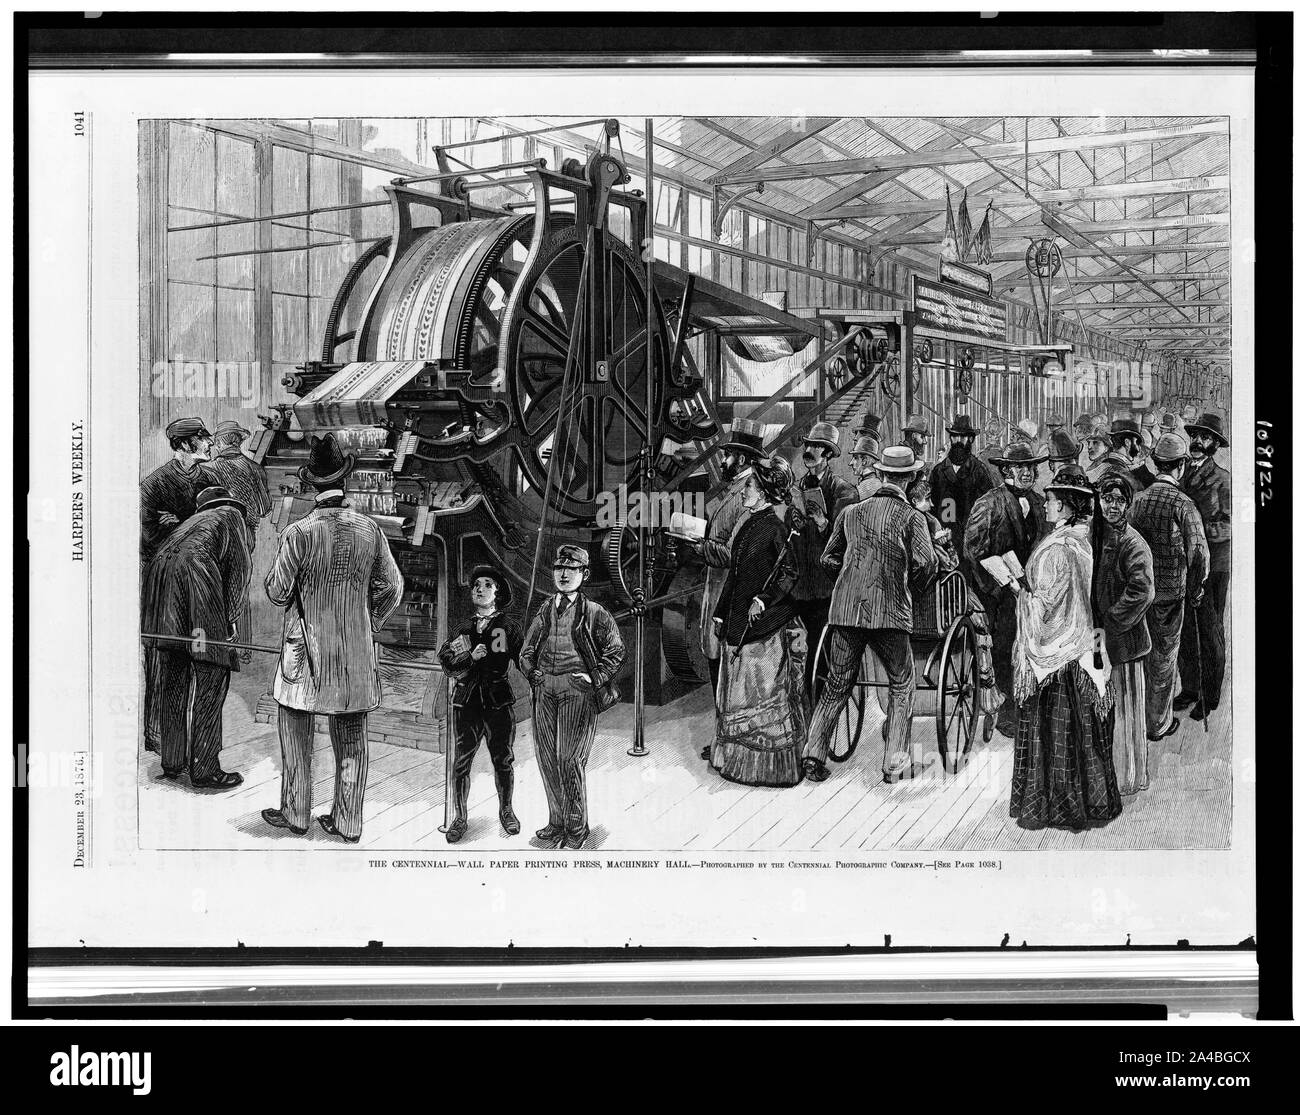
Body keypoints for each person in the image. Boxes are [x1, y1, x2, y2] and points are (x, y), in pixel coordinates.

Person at [260, 434, 405, 842]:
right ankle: (347, 822)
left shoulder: (299, 533)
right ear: (346, 481)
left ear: (312, 486)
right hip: (355, 655)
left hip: (304, 654)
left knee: (295, 729)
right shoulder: (370, 530)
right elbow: (393, 586)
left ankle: (296, 813)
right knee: (353, 739)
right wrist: (366, 621)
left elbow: (276, 591)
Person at [802, 447, 937, 784]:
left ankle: (813, 753)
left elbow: (827, 558)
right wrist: (908, 589)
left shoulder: (851, 513)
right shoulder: (912, 517)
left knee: (836, 683)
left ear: (882, 475)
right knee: (902, 683)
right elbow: (927, 564)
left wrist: (850, 579)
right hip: (890, 612)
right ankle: (894, 761)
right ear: (907, 479)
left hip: (846, 611)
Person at [1008, 465, 1121, 831]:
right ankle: (1091, 804)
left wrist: (1018, 591)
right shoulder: (1082, 540)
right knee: (1081, 736)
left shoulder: (1058, 548)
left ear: (1069, 506)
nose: (1045, 506)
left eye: (1052, 501)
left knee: (1054, 735)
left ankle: (1056, 807)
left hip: (1056, 657)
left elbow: (1047, 605)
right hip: (1082, 651)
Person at [141, 485, 252, 789]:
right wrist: (229, 621)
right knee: (211, 677)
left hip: (163, 605)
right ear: (227, 502)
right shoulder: (230, 515)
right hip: (198, 603)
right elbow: (238, 571)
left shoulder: (188, 526)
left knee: (174, 679)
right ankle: (204, 768)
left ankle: (173, 760)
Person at [518, 544, 626, 851]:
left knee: (569, 758)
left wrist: (594, 678)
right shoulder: (545, 608)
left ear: (584, 574)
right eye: (559, 568)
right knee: (547, 758)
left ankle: (577, 827)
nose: (564, 574)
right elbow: (526, 650)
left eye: (572, 569)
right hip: (544, 690)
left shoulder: (594, 613)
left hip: (576, 691)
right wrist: (531, 672)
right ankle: (557, 823)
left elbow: (616, 650)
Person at [710, 455, 806, 787]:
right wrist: (720, 613)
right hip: (740, 622)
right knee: (737, 696)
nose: (743, 491)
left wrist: (763, 599)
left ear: (763, 491)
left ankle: (768, 769)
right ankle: (736, 763)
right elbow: (735, 576)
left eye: (749, 485)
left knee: (761, 698)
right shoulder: (750, 524)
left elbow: (789, 573)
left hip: (767, 627)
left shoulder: (776, 529)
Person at [140, 417, 218, 753]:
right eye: (203, 438)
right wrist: (175, 533)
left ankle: (187, 745)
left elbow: (222, 525)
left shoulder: (211, 479)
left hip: (200, 582)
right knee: (163, 659)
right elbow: (143, 535)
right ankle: (159, 736)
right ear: (186, 444)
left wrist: (177, 526)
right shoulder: (154, 483)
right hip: (163, 583)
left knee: (200, 657)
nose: (210, 442)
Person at [1128, 435, 1209, 743]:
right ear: (1180, 466)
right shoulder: (1184, 504)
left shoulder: (1139, 499)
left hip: (1140, 592)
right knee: (1164, 658)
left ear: (1156, 464)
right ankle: (1158, 724)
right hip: (1172, 594)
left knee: (1143, 655)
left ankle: (1139, 719)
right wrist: (1196, 588)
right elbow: (1198, 553)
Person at [964, 441, 1048, 736]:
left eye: (1032, 467)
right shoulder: (989, 503)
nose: (1028, 472)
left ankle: (1031, 706)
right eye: (1021, 467)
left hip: (1032, 592)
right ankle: (1007, 712)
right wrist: (1002, 586)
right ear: (1006, 470)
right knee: (1003, 648)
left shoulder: (1039, 503)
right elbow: (973, 550)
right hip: (998, 597)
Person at [437, 565, 524, 843]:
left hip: (498, 703)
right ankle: (460, 817)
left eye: (487, 584)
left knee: (503, 760)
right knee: (462, 762)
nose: (480, 588)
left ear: (497, 593)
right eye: (476, 584)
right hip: (467, 704)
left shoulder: (509, 627)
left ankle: (507, 811)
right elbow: (447, 663)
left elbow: (525, 658)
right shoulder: (462, 628)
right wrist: (470, 658)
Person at [691, 419, 765, 718]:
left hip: (729, 591)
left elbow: (735, 554)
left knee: (725, 662)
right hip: (717, 585)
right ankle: (724, 729)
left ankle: (728, 730)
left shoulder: (745, 495)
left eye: (728, 455)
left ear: (742, 459)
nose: (723, 460)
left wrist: (700, 546)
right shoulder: (736, 490)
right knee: (718, 659)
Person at [1092, 473, 1156, 796]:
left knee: (1128, 709)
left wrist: (1110, 619)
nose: (1112, 506)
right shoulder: (1097, 535)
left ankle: (1129, 778)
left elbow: (1143, 592)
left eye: (1119, 501)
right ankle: (1111, 776)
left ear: (1127, 505)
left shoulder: (1133, 543)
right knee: (1107, 708)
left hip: (1126, 643)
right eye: (1107, 500)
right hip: (1102, 639)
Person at [788, 421, 859, 695]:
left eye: (817, 447)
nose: (810, 451)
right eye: (808, 445)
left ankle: (818, 716)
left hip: (825, 589)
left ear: (828, 454)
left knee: (818, 660)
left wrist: (821, 523)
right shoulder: (796, 488)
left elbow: (846, 541)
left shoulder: (844, 491)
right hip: (798, 585)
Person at [1176, 412, 1231, 722]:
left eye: (1205, 437)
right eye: (1195, 436)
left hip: (1214, 567)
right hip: (1186, 565)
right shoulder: (1182, 476)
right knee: (1185, 629)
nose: (1197, 442)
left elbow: (1229, 526)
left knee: (1210, 633)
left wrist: (1195, 532)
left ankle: (1209, 697)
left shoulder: (1223, 478)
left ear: (1214, 445)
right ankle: (1190, 688)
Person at [205, 420, 274, 663]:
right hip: (246, 534)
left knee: (212, 586)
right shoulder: (255, 469)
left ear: (221, 442)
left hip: (214, 533)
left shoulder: (208, 469)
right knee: (239, 585)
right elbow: (265, 508)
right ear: (239, 441)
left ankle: (215, 646)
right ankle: (243, 648)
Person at [928, 414, 995, 565]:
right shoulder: (938, 471)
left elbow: (989, 506)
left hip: (972, 544)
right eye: (955, 437)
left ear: (971, 439)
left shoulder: (979, 470)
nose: (958, 441)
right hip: (946, 545)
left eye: (963, 437)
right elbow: (930, 507)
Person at [848, 433, 882, 500]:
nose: (850, 463)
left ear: (864, 460)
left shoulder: (868, 487)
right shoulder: (873, 483)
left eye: (855, 458)